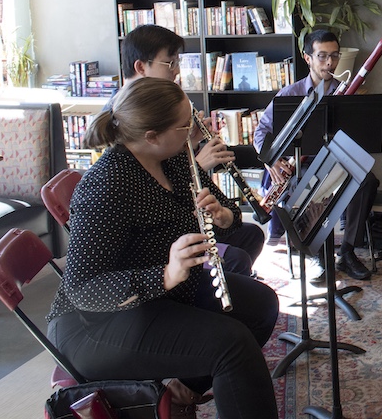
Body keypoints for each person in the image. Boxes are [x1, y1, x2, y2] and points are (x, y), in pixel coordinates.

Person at [46, 78, 280, 419]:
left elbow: (228, 211)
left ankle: (183, 389)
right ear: (151, 136)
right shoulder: (106, 186)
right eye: (185, 125)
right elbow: (82, 289)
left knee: (261, 305)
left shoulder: (173, 158)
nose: (193, 132)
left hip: (164, 294)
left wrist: (223, 214)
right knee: (232, 345)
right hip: (96, 324)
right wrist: (166, 274)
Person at [112, 24, 266, 276]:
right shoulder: (120, 118)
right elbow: (144, 188)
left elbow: (167, 165)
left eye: (177, 63)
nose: (176, 72)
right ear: (141, 67)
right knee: (236, 259)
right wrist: (198, 163)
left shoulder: (162, 106)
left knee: (250, 234)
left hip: (181, 217)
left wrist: (189, 143)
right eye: (169, 63)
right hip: (157, 240)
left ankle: (229, 283)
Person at [253, 29, 378, 281]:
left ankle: (347, 252)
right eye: (322, 56)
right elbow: (261, 132)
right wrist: (271, 161)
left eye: (334, 55)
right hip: (303, 163)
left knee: (367, 181)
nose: (329, 62)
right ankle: (317, 254)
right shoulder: (290, 94)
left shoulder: (347, 94)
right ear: (307, 58)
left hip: (338, 161)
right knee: (307, 186)